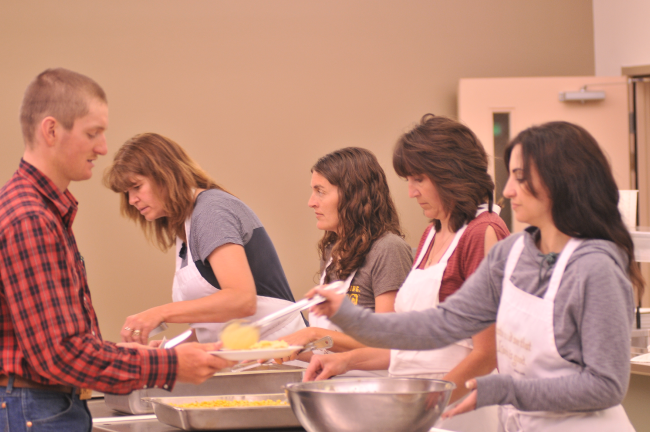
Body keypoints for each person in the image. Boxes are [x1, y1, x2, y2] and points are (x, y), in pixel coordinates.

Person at [309, 121, 642, 431]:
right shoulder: (510, 254)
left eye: (520, 176)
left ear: (560, 181)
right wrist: (349, 316)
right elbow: (439, 324)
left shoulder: (595, 268)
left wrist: (503, 388)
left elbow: (606, 386)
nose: (508, 191)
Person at [0, 68, 231, 431]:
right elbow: (59, 354)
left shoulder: (39, 211)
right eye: (93, 133)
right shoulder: (31, 218)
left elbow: (56, 342)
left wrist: (126, 354)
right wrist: (171, 366)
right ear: (51, 131)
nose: (102, 147)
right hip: (36, 407)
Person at [304, 115, 510, 432]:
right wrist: (346, 361)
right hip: (421, 407)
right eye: (408, 181)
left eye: (419, 180)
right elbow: (407, 344)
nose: (412, 193)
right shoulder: (432, 233)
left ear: (450, 174)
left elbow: (487, 353)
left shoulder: (483, 234)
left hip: (460, 413)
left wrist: (427, 402)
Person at [104, 133, 306, 345]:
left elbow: (241, 301)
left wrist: (159, 313)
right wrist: (171, 348)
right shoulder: (185, 226)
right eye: (127, 192)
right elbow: (215, 327)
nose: (132, 200)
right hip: (247, 358)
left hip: (284, 357)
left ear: (165, 175)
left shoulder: (211, 210)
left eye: (137, 187)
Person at [276, 147, 412, 361]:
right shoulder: (332, 250)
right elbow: (326, 351)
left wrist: (313, 334)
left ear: (353, 195)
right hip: (333, 383)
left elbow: (387, 343)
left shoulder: (388, 249)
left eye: (320, 191)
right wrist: (275, 349)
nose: (311, 202)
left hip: (371, 388)